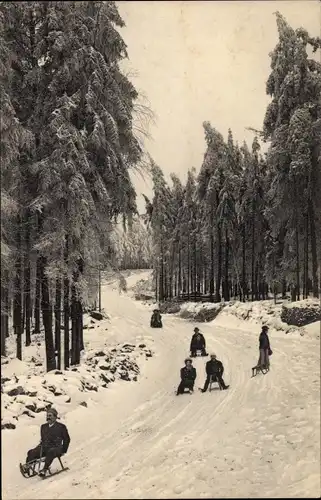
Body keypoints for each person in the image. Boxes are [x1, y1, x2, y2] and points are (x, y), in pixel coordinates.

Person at [21, 408, 70, 477]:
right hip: (44, 447)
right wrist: (38, 448)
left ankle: (44, 470)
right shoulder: (43, 427)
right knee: (31, 452)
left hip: (56, 448)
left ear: (55, 417)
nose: (48, 418)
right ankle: (27, 468)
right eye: (47, 416)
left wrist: (64, 450)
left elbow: (67, 439)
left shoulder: (61, 427)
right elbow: (43, 440)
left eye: (50, 416)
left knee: (51, 451)